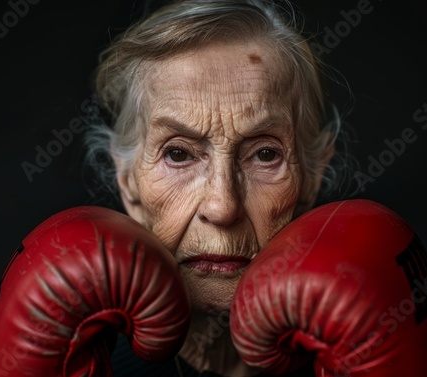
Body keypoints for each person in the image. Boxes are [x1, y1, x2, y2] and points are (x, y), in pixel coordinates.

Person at [83, 0, 343, 375]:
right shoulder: (89, 363)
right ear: (127, 181)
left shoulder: (366, 352)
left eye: (265, 154)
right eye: (177, 153)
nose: (222, 208)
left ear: (312, 178)